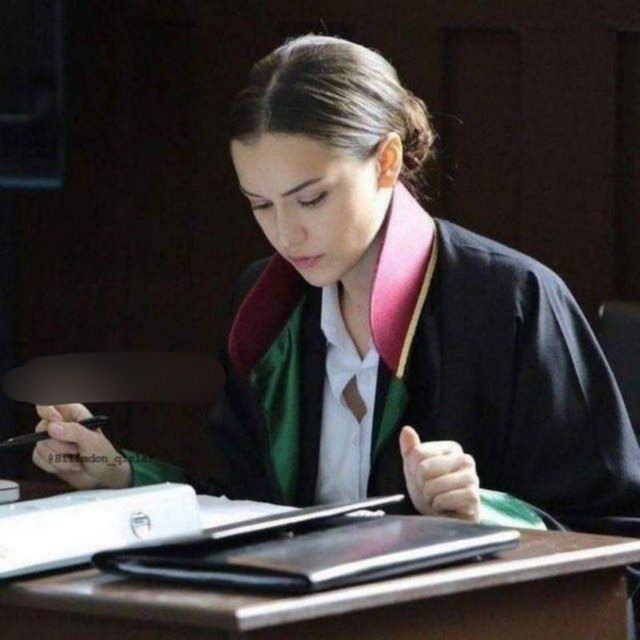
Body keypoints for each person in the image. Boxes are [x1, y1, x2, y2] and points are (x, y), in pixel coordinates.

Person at [32, 33, 640, 532]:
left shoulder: (514, 301)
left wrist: (481, 511)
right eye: (261, 206)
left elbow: (613, 528)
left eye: (311, 198)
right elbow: (242, 506)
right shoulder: (264, 307)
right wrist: (119, 474)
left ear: (386, 161)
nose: (286, 236)